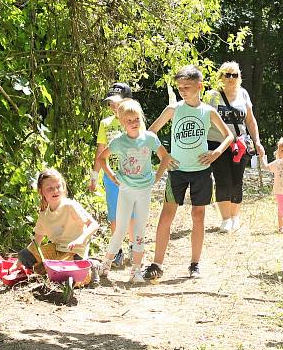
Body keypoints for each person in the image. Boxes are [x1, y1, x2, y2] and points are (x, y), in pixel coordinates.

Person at [143, 65, 233, 280]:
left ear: (199, 86)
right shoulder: (173, 109)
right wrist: (164, 155)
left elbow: (229, 135)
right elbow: (150, 133)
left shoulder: (208, 111)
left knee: (198, 216)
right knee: (166, 217)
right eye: (180, 87)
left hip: (201, 172)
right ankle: (157, 263)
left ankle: (195, 264)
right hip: (177, 171)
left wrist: (216, 153)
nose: (183, 90)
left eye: (187, 86)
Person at [95, 99, 176, 283]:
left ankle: (136, 271)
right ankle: (106, 262)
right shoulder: (118, 141)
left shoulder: (149, 138)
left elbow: (165, 157)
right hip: (126, 190)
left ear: (141, 118)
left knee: (139, 230)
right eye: (129, 120)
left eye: (136, 119)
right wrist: (113, 176)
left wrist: (157, 177)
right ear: (122, 122)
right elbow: (101, 159)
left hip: (144, 190)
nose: (134, 123)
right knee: (121, 228)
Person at [204, 62, 266, 232]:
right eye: (227, 74)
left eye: (235, 75)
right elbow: (202, 119)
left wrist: (257, 141)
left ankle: (235, 217)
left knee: (237, 180)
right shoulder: (211, 96)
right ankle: (225, 219)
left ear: (240, 77)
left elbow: (250, 120)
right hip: (217, 143)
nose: (231, 78)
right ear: (220, 77)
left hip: (240, 144)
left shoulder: (243, 94)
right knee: (222, 179)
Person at [16, 168, 100, 286]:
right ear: (41, 192)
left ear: (63, 187)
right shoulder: (44, 213)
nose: (55, 190)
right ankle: (57, 271)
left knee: (64, 278)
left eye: (58, 186)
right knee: (26, 256)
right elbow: (37, 242)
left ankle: (90, 270)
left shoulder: (69, 206)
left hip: (74, 251)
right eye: (50, 188)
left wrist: (80, 239)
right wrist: (19, 262)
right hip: (56, 249)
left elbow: (94, 225)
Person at [89, 82, 135, 269]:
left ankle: (134, 246)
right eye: (111, 103)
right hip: (111, 176)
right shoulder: (105, 124)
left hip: (133, 176)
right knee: (114, 215)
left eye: (118, 103)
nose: (114, 107)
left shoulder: (135, 121)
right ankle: (117, 251)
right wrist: (94, 176)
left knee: (132, 214)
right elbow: (100, 151)